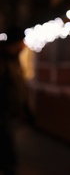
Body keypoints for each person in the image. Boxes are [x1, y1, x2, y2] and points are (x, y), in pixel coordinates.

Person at [0, 26, 28, 175]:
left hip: (10, 114)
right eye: (22, 41)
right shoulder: (4, 60)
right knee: (8, 154)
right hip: (3, 116)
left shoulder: (13, 60)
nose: (24, 45)